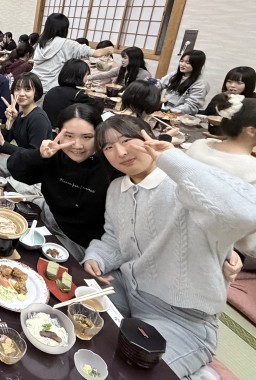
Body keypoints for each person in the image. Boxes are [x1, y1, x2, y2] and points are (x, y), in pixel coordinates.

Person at [83, 115, 256, 379]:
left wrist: (174, 160)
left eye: (127, 140)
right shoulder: (118, 188)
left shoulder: (185, 186)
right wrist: (98, 257)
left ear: (148, 138)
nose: (120, 152)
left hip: (183, 319)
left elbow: (246, 213)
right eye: (108, 147)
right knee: (77, 315)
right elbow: (114, 238)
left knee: (126, 372)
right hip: (128, 289)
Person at [8, 104, 117, 261]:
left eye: (87, 137)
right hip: (47, 215)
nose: (77, 145)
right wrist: (39, 155)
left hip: (77, 240)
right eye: (69, 136)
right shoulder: (56, 154)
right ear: (58, 132)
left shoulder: (110, 167)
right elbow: (16, 169)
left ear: (99, 136)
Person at [187, 93, 256, 263]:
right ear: (251, 131)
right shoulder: (251, 169)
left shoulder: (198, 146)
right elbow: (248, 232)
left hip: (183, 229)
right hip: (222, 249)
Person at [32, 13, 113, 93]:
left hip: (34, 86)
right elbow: (97, 53)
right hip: (51, 89)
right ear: (64, 29)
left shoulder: (40, 43)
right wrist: (108, 49)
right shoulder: (66, 44)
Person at [0, 72, 53, 161]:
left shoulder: (38, 118)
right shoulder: (20, 115)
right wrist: (10, 121)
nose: (21, 94)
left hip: (32, 167)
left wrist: (3, 143)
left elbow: (35, 156)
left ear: (36, 92)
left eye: (27, 89)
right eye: (17, 89)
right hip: (20, 162)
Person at [43, 58, 104, 127]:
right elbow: (97, 109)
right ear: (80, 75)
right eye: (87, 74)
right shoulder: (79, 95)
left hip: (49, 128)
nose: (87, 78)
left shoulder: (52, 90)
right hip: (66, 130)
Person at [157, 50, 209, 115]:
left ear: (197, 65)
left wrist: (170, 111)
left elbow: (191, 107)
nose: (182, 64)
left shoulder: (201, 84)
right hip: (164, 111)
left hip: (180, 116)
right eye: (182, 61)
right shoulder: (174, 74)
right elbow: (159, 84)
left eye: (188, 63)